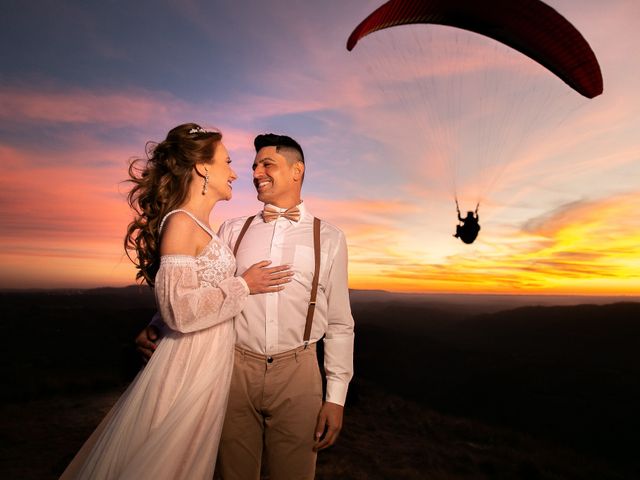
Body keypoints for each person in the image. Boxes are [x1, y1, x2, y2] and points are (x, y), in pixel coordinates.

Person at [61, 123, 292, 480]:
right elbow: (179, 311)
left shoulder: (201, 225)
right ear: (202, 167)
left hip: (209, 358)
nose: (234, 173)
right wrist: (243, 286)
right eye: (227, 162)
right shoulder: (182, 223)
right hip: (189, 362)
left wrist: (154, 324)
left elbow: (181, 294)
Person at [137, 133, 355, 480]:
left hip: (298, 374)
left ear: (297, 170)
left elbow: (341, 324)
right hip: (232, 369)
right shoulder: (232, 230)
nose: (255, 172)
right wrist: (158, 323)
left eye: (267, 164)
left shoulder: (329, 237)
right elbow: (199, 285)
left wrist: (337, 397)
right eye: (253, 165)